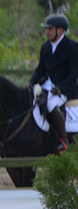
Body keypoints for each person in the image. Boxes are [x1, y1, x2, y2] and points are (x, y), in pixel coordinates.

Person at [31, 13, 78, 151]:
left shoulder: (72, 47)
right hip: (47, 85)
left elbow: (74, 74)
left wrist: (61, 88)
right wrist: (31, 82)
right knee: (32, 99)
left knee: (51, 104)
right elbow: (40, 70)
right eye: (46, 29)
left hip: (64, 87)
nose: (47, 32)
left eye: (50, 29)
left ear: (60, 30)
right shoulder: (45, 47)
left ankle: (63, 140)